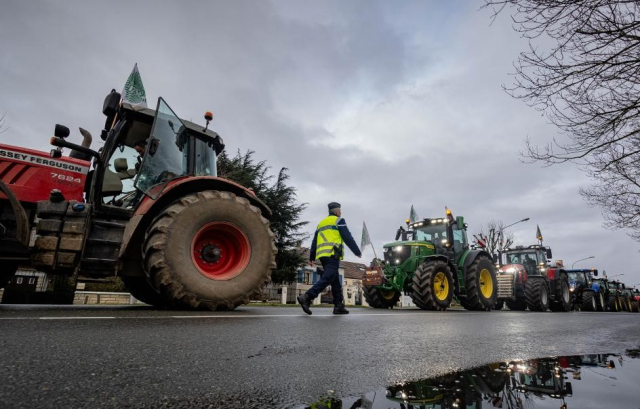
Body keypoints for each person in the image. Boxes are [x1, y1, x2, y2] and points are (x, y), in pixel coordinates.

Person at [297, 202, 362, 315]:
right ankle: (307, 297)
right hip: (332, 254)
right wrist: (357, 251)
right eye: (340, 211)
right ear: (337, 211)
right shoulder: (339, 221)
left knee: (335, 279)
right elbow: (347, 237)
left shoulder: (321, 223)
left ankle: (338, 306)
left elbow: (314, 241)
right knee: (328, 277)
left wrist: (312, 257)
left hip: (322, 255)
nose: (340, 213)